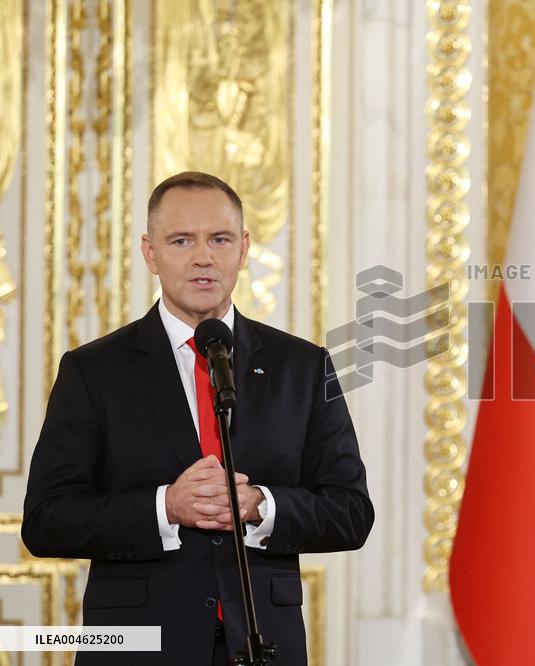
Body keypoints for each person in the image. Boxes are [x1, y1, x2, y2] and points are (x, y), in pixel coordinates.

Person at [22, 172, 374, 666]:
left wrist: (259, 506)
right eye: (181, 240)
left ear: (244, 249)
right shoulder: (93, 370)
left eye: (220, 239)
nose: (203, 257)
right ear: (150, 253)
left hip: (261, 644)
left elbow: (351, 511)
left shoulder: (303, 366)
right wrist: (166, 506)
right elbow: (45, 521)